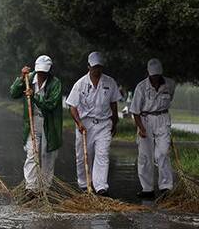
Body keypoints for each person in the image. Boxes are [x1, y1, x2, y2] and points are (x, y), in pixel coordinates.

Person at [66, 52, 122, 196]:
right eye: (94, 67)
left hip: (104, 124)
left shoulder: (110, 83)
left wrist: (114, 122)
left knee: (102, 154)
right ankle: (84, 184)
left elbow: (114, 103)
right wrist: (78, 123)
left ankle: (100, 186)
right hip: (85, 123)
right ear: (89, 67)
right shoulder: (80, 84)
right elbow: (72, 106)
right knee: (84, 155)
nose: (97, 70)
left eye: (99, 67)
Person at [9, 55, 62, 200]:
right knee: (32, 154)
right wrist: (21, 78)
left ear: (49, 71)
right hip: (32, 122)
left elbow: (50, 105)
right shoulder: (28, 79)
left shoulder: (55, 83)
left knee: (47, 156)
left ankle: (45, 188)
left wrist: (34, 97)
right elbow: (13, 93)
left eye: (44, 72)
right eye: (39, 72)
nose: (41, 75)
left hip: (49, 124)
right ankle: (31, 188)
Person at [130, 58, 176, 198]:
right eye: (153, 76)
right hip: (145, 120)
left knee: (162, 153)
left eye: (158, 75)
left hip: (162, 119)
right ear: (148, 74)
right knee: (145, 156)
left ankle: (166, 187)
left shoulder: (170, 84)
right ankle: (147, 189)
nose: (155, 78)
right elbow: (135, 111)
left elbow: (170, 99)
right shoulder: (141, 87)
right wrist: (141, 128)